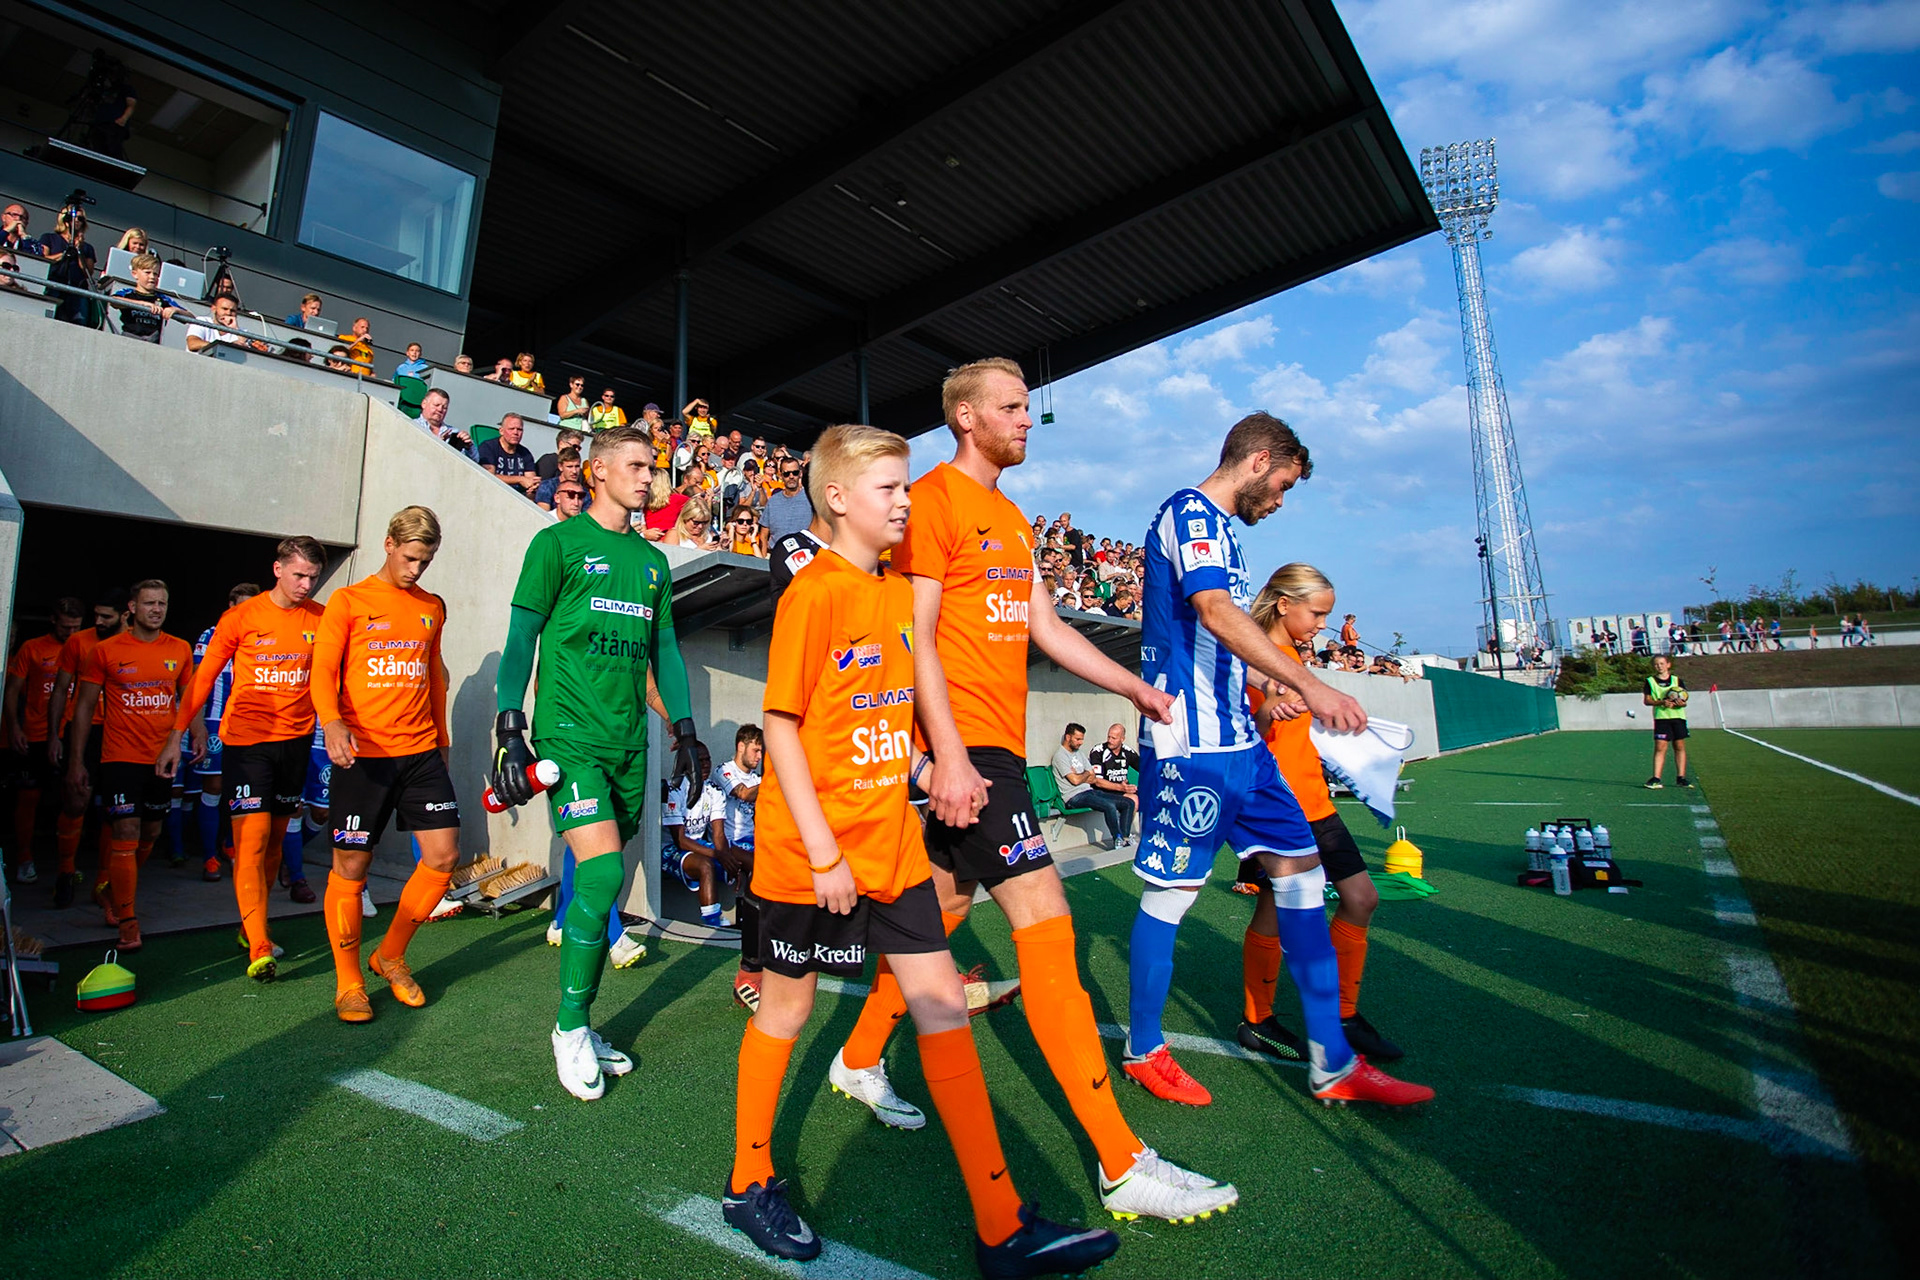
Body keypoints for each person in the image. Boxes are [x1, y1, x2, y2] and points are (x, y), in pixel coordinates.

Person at [833, 359, 1235, 1224]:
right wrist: (942, 755)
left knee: (937, 914)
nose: (1028, 419)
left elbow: (1045, 627)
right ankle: (1123, 1162)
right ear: (968, 418)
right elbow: (918, 637)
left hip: (987, 752)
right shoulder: (934, 502)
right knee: (1048, 934)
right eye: (1013, 407)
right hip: (969, 751)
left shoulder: (1011, 518)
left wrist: (1132, 687)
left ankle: (859, 1056)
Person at [720, 422, 1122, 1274]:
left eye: (908, 487)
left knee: (940, 1004)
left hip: (894, 843)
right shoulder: (815, 592)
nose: (907, 502)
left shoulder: (899, 597)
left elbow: (886, 705)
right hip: (811, 855)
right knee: (788, 1013)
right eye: (890, 490)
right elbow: (783, 730)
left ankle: (1001, 1223)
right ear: (836, 499)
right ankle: (748, 1181)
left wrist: (935, 759)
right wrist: (825, 853)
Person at [1124, 411, 1431, 1111]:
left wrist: (1269, 699)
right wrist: (1307, 683)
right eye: (1284, 484)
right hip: (1190, 748)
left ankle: (1333, 1061)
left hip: (1242, 744)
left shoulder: (1224, 531)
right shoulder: (1191, 513)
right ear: (1260, 460)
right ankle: (1144, 1048)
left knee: (1302, 879)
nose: (1282, 501)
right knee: (1171, 897)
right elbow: (1212, 611)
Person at [488, 423, 706, 1099]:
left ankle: (583, 1022)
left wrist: (688, 728)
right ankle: (570, 1026)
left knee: (604, 883)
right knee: (605, 868)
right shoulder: (556, 544)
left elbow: (663, 653)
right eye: (638, 466)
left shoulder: (654, 564)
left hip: (628, 742)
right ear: (601, 471)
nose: (649, 478)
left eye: (654, 467)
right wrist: (508, 722)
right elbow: (522, 634)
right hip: (568, 736)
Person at [1238, 563, 1401, 1064]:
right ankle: (1257, 1020)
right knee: (1270, 913)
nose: (1322, 626)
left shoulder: (1293, 658)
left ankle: (1343, 1015)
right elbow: (1245, 731)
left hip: (1317, 804)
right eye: (1317, 613)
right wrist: (1269, 711)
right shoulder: (1248, 654)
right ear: (1284, 604)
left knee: (1362, 898)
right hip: (1276, 807)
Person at [310, 507, 462, 1023]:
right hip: (362, 756)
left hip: (419, 751)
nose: (417, 569)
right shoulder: (348, 601)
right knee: (351, 868)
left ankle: (391, 954)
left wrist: (442, 738)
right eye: (411, 557)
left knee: (442, 858)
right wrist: (331, 722)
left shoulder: (431, 607)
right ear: (389, 543)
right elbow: (323, 669)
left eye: (427, 560)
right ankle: (349, 980)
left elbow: (436, 675)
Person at [158, 540, 327, 979]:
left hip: (296, 743)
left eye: (312, 577)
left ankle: (254, 924)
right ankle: (259, 946)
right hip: (247, 745)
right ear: (277, 569)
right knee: (250, 841)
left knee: (274, 840)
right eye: (298, 575)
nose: (306, 585)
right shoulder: (241, 617)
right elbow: (202, 680)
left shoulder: (322, 619)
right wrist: (176, 735)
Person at [64, 582, 192, 950]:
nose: (157, 609)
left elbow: (187, 699)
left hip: (162, 757)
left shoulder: (179, 648)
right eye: (149, 603)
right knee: (126, 831)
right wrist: (76, 760)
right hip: (119, 756)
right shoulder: (105, 651)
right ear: (132, 608)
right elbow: (84, 707)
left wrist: (193, 735)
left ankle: (110, 886)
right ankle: (128, 920)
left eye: (163, 603)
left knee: (150, 834)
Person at [45, 588, 127, 908]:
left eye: (106, 616)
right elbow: (60, 689)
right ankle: (66, 871)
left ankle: (103, 881)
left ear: (126, 613)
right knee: (76, 799)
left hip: (121, 732)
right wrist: (54, 736)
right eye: (97, 615)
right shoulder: (79, 642)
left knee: (115, 809)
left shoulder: (137, 641)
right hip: (83, 731)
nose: (99, 621)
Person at [4, 597, 86, 886]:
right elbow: (12, 690)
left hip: (73, 734)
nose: (71, 632)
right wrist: (14, 727)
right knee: (29, 798)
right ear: (53, 621)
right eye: (66, 626)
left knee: (73, 796)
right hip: (35, 734)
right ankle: (25, 858)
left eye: (76, 626)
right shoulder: (32, 648)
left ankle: (67, 864)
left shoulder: (86, 647)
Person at [186, 582, 259, 884]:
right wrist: (198, 724)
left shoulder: (261, 636)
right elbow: (197, 681)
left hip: (249, 724)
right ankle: (209, 856)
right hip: (216, 721)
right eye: (241, 607)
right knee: (214, 787)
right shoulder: (210, 635)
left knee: (242, 790)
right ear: (230, 607)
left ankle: (230, 845)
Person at [710, 725, 763, 1008]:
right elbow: (742, 794)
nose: (759, 756)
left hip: (756, 841)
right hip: (729, 844)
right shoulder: (724, 770)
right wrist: (778, 778)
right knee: (764, 867)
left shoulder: (759, 777)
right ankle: (751, 963)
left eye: (762, 751)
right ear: (741, 745)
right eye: (755, 750)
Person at [663, 766, 725, 927]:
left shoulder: (714, 790)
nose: (705, 765)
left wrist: (728, 856)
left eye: (707, 760)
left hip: (698, 844)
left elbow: (719, 834)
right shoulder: (674, 790)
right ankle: (713, 924)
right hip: (670, 849)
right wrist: (718, 854)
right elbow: (680, 841)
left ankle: (755, 919)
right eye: (700, 760)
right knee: (705, 865)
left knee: (744, 859)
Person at [1051, 723, 1131, 849]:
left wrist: (1081, 774)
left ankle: (1125, 838)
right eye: (1078, 739)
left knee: (1127, 802)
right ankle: (1118, 839)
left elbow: (1093, 777)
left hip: (1089, 791)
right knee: (1109, 806)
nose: (1081, 742)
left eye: (1082, 739)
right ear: (1068, 737)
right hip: (1073, 797)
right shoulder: (1060, 756)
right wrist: (1085, 774)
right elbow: (1075, 781)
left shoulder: (1079, 753)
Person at [39, 207, 98, 326]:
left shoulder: (87, 247)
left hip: (77, 290)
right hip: (54, 285)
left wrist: (79, 250)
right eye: (72, 217)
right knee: (47, 320)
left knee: (78, 323)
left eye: (80, 218)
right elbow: (43, 260)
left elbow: (88, 272)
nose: (76, 221)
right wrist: (64, 254)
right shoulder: (49, 238)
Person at [109, 252, 185, 344]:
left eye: (156, 274)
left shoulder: (163, 298)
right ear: (135, 274)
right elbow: (113, 301)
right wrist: (143, 304)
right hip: (129, 339)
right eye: (147, 273)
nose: (152, 277)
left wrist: (175, 310)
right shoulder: (128, 293)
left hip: (153, 342)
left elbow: (190, 317)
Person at [1085, 723, 1139, 846]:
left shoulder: (1127, 751)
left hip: (1121, 790)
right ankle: (1120, 837)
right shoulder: (1098, 751)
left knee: (1137, 799)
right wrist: (1121, 787)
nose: (1110, 740)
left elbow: (1145, 769)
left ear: (1122, 739)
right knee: (1124, 801)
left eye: (1114, 738)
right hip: (1102, 791)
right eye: (1109, 737)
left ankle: (1124, 836)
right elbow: (1097, 781)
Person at [1643, 654, 1690, 789]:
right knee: (1660, 746)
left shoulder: (1677, 680)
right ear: (1653, 666)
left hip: (1678, 717)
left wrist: (1679, 703)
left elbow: (1684, 701)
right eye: (1657, 664)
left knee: (1679, 746)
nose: (1659, 666)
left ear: (1668, 665)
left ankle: (1681, 777)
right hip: (1662, 717)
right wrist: (1662, 702)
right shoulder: (1650, 681)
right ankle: (1656, 778)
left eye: (1662, 663)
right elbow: (1647, 700)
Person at [478, 414, 541, 498]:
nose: (515, 433)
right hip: (492, 493)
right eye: (511, 429)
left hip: (518, 498)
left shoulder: (525, 453)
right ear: (501, 431)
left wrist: (534, 486)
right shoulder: (488, 447)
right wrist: (520, 479)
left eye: (519, 429)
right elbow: (489, 476)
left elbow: (530, 479)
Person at [186, 293, 269, 354]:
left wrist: (236, 330)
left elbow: (251, 353)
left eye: (232, 310)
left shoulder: (242, 332)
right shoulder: (202, 321)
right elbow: (192, 344)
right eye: (224, 309)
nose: (228, 313)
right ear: (214, 309)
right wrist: (227, 346)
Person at [761, 455, 813, 547]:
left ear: (800, 473)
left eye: (795, 473)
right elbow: (764, 535)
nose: (791, 476)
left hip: (805, 555)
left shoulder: (811, 498)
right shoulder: (773, 501)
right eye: (786, 474)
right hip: (776, 554)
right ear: (780, 475)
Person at [415, 388, 472, 454]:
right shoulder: (412, 426)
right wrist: (438, 444)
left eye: (444, 407)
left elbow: (475, 459)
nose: (440, 409)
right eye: (436, 405)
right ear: (424, 404)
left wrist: (468, 446)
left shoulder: (454, 432)